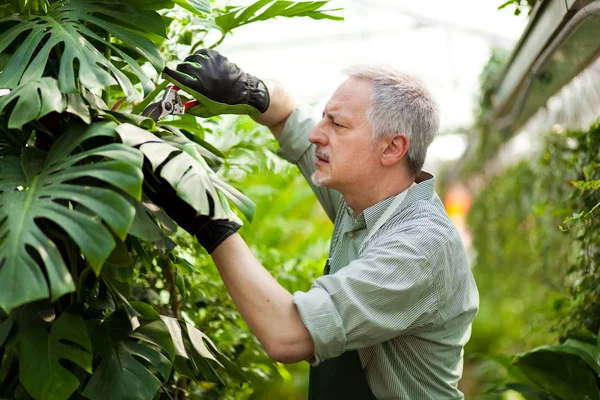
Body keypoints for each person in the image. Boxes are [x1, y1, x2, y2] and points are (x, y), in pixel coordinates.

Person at [150, 49, 479, 399]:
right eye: (324, 118)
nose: (316, 134)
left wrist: (210, 221)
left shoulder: (419, 246)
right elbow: (286, 114)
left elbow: (287, 334)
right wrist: (248, 89)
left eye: (337, 125)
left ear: (392, 148)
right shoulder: (362, 198)